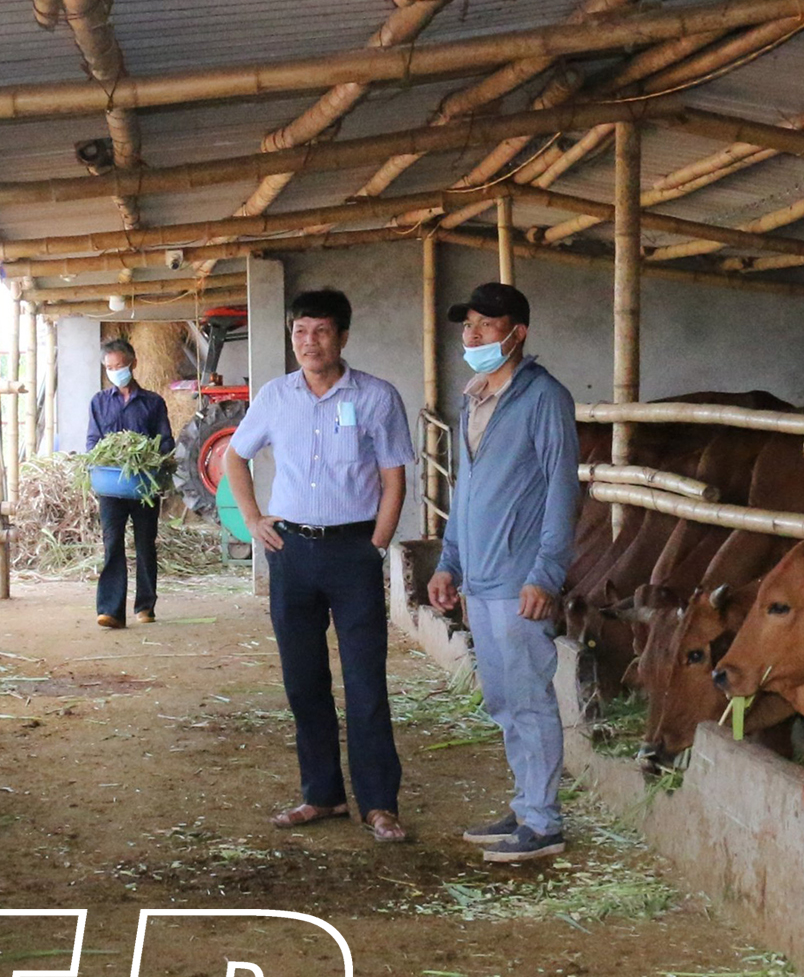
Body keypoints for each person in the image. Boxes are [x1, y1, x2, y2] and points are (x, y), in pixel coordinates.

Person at [222, 288, 413, 844]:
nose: (310, 343)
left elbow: (394, 476)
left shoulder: (377, 397)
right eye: (300, 332)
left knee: (365, 681)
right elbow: (235, 455)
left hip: (353, 552)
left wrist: (376, 544)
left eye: (322, 331)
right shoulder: (275, 396)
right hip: (291, 553)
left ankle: (379, 804)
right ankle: (322, 794)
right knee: (304, 680)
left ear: (343, 337)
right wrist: (253, 519)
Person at [425, 281, 579, 864]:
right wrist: (449, 562)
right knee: (503, 699)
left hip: (520, 579)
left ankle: (543, 822)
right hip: (480, 577)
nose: (472, 336)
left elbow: (562, 490)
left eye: (486, 326)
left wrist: (547, 573)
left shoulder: (544, 398)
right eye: (468, 326)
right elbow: (465, 491)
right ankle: (527, 803)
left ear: (518, 333)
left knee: (529, 698)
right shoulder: (476, 397)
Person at [86, 335, 176, 628]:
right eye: (110, 367)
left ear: (133, 364)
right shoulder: (99, 402)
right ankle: (111, 610)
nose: (116, 372)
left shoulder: (153, 402)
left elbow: (166, 441)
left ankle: (145, 606)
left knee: (145, 544)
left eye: (120, 366)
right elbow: (93, 441)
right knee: (112, 544)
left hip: (143, 485)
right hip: (111, 487)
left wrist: (150, 459)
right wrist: (100, 462)